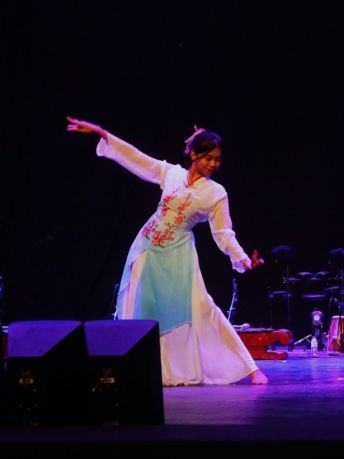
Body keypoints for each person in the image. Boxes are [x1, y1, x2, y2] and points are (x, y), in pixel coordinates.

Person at [67, 116, 269, 385]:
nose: (214, 164)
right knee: (141, 306)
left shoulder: (216, 193)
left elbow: (224, 234)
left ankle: (249, 368)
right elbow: (138, 159)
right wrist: (103, 134)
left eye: (218, 159)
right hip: (147, 248)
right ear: (194, 155)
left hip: (178, 255)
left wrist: (244, 260)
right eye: (209, 158)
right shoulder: (171, 173)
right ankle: (143, 368)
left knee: (201, 307)